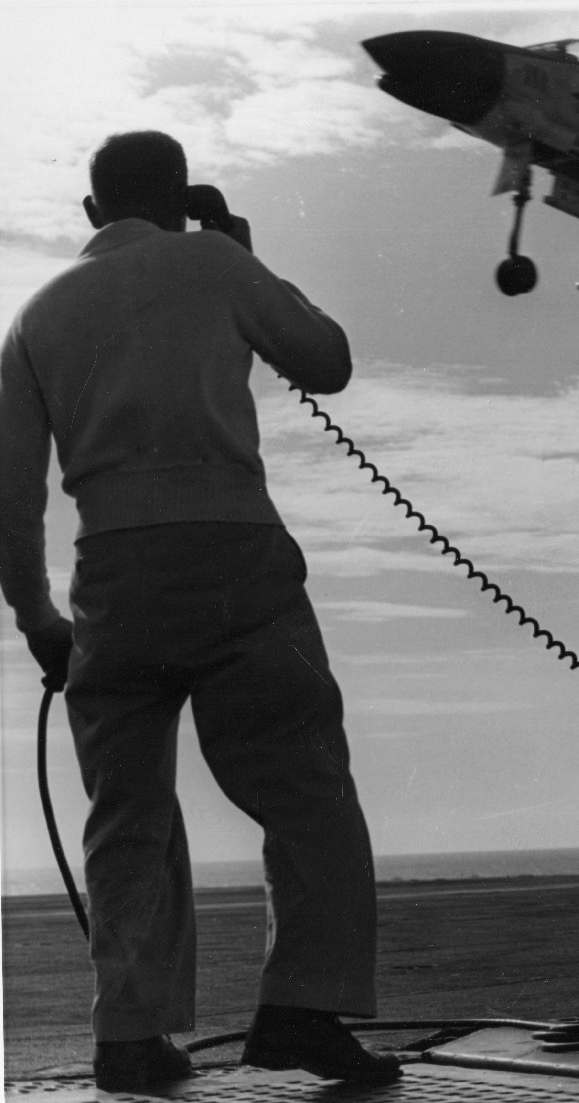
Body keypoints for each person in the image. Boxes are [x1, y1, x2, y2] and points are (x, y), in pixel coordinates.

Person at [0, 131, 401, 1092]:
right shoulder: (215, 259)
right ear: (183, 199)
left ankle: (129, 1038)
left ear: (92, 213)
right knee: (304, 782)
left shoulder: (36, 315)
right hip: (234, 555)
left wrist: (38, 618)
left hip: (111, 579)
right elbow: (327, 361)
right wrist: (241, 251)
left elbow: (13, 493)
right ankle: (303, 1007)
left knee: (126, 810)